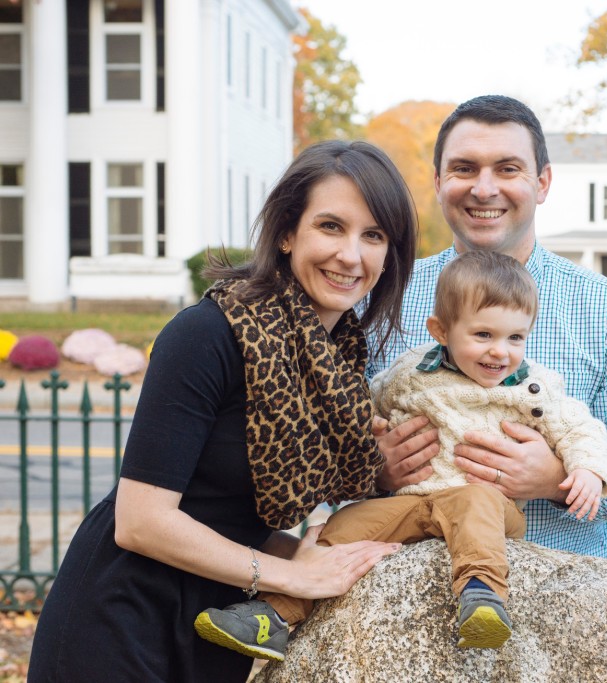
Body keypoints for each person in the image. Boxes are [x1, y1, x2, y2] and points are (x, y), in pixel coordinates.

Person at [28, 140, 418, 682]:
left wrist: (325, 550)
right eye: (331, 226)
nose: (351, 255)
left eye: (373, 235)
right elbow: (141, 522)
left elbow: (237, 512)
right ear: (286, 233)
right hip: (121, 616)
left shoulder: (341, 367)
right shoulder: (207, 334)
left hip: (217, 619)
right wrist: (290, 574)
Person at [195, 250, 607, 658]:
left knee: (477, 504)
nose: (500, 351)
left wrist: (586, 471)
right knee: (343, 524)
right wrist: (371, 435)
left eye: (515, 337)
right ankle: (274, 616)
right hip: (411, 502)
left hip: (486, 503)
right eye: (483, 334)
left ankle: (484, 598)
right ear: (441, 330)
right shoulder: (410, 373)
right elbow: (363, 407)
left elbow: (579, 428)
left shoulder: (533, 387)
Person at [368, 95, 607, 559]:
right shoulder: (384, 295)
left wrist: (555, 479)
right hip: (401, 582)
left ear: (542, 182)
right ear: (437, 182)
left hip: (556, 583)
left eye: (507, 169)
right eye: (464, 169)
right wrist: (372, 468)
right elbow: (325, 448)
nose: (484, 188)